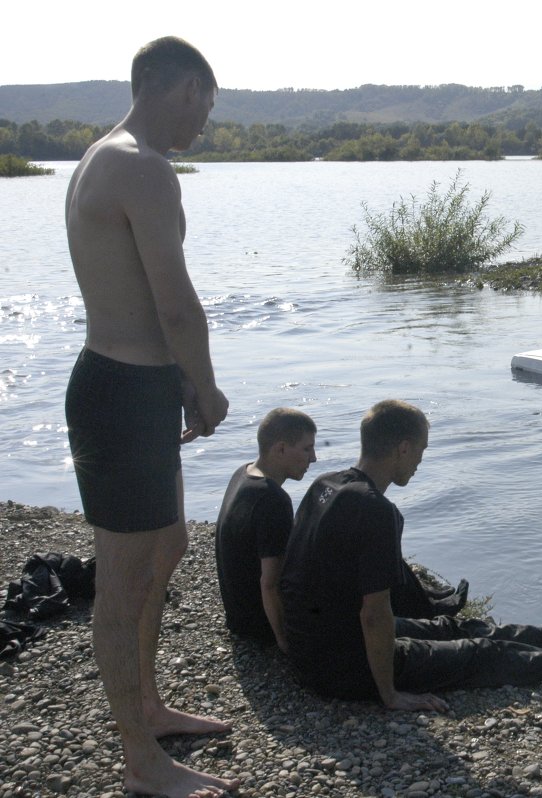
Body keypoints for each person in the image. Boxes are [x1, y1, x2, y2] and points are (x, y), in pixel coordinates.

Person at [63, 37, 235, 798]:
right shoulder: (143, 166)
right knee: (124, 581)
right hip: (126, 390)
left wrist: (179, 388)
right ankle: (141, 760)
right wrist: (208, 389)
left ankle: (151, 706)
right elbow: (175, 304)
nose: (206, 123)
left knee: (167, 548)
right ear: (186, 88)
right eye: (208, 105)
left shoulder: (105, 155)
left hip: (132, 385)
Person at [280, 400, 542, 711]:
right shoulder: (376, 510)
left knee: (449, 628)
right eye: (421, 450)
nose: (420, 461)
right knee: (479, 653)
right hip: (339, 668)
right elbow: (375, 614)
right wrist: (389, 693)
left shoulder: (326, 484)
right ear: (403, 448)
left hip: (312, 645)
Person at [215, 408, 317, 651]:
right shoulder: (273, 499)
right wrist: (285, 642)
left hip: (238, 615)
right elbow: (270, 584)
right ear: (281, 449)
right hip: (259, 626)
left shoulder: (244, 472)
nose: (313, 458)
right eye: (307, 448)